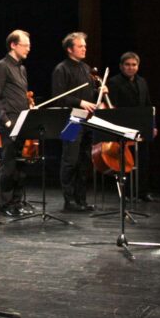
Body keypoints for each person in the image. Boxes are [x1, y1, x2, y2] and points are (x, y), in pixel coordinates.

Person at [51, 31, 100, 212]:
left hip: (87, 119)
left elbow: (90, 94)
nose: (84, 48)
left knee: (84, 160)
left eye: (85, 46)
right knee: (70, 159)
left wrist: (100, 92)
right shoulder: (61, 69)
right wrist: (80, 102)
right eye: (80, 46)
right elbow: (58, 98)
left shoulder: (86, 69)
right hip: (72, 118)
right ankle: (69, 200)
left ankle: (81, 200)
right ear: (70, 49)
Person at [0, 30, 32, 217]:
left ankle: (17, 202)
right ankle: (5, 204)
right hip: (9, 124)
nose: (29, 48)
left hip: (22, 122)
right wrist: (5, 121)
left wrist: (29, 103)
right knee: (9, 166)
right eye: (25, 45)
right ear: (13, 45)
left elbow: (19, 95)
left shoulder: (21, 68)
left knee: (21, 166)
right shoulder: (2, 66)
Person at [107, 51, 157, 202]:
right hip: (124, 126)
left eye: (134, 65)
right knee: (127, 161)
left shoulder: (142, 82)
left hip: (141, 126)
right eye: (127, 65)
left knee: (143, 159)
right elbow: (113, 107)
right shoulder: (114, 82)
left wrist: (152, 125)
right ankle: (127, 193)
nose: (131, 68)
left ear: (138, 66)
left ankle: (142, 192)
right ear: (121, 66)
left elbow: (148, 105)